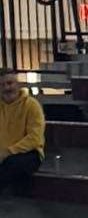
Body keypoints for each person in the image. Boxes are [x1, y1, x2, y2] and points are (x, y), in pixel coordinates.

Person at [0, 68, 44, 198]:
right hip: (3, 154)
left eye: (10, 83)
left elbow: (34, 139)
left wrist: (8, 152)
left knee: (12, 164)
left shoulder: (32, 105)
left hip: (29, 153)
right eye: (2, 85)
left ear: (18, 84)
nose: (6, 88)